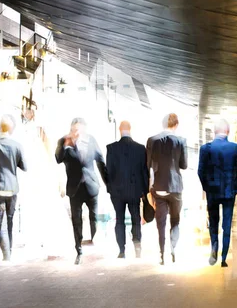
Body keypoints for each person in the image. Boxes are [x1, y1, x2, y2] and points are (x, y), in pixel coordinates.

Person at [55, 118, 108, 265]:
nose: (75, 133)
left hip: (91, 185)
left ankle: (95, 243)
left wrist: (107, 182)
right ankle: (78, 250)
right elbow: (58, 159)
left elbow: (100, 161)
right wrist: (65, 145)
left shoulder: (91, 140)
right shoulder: (63, 141)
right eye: (73, 130)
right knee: (76, 221)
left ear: (84, 130)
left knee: (94, 217)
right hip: (74, 188)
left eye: (78, 130)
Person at [198, 119, 237, 267]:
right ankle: (224, 257)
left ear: (214, 131)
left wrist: (207, 188)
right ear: (228, 131)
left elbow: (201, 172)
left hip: (212, 191)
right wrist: (234, 189)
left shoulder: (206, 149)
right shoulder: (235, 148)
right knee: (226, 224)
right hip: (228, 192)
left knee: (213, 222)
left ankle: (214, 248)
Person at [0, 115, 27, 261]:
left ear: (0, 127)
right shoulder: (17, 146)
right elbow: (25, 167)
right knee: (10, 220)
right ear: (11, 129)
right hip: (12, 188)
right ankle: (10, 251)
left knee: (0, 223)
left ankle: (6, 255)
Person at [146, 113, 187, 265]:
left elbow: (148, 165)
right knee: (175, 220)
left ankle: (162, 253)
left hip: (159, 187)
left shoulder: (152, 140)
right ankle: (173, 248)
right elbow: (184, 165)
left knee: (161, 222)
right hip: (175, 187)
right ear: (176, 125)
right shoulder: (181, 141)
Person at [106, 121, 149, 259]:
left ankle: (121, 250)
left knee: (119, 220)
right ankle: (137, 246)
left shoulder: (111, 148)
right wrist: (145, 191)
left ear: (120, 130)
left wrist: (110, 189)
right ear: (130, 129)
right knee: (136, 218)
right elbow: (144, 172)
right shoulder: (140, 149)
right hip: (134, 190)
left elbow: (109, 172)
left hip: (117, 192)